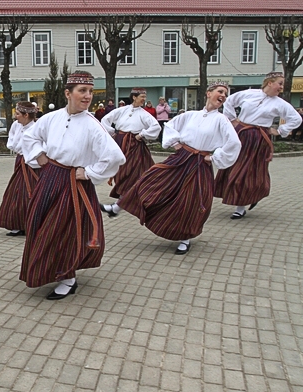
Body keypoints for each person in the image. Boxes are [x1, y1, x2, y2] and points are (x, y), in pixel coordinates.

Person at [20, 71, 125, 300]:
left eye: (90, 91)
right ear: (68, 93)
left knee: (64, 231)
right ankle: (46, 268)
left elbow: (115, 157)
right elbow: (29, 137)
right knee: (39, 224)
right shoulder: (51, 118)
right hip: (49, 178)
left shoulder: (93, 125)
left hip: (73, 184)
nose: (87, 96)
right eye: (82, 91)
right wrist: (40, 156)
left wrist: (88, 172)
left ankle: (68, 278)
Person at [116, 81, 241, 254]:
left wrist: (213, 157)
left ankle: (185, 237)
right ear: (208, 93)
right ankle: (120, 206)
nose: (223, 96)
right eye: (220, 91)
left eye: (225, 94)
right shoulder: (191, 115)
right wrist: (175, 143)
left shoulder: (221, 120)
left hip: (199, 164)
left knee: (191, 200)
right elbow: (170, 125)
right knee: (152, 178)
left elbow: (234, 143)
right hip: (181, 157)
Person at [214, 71, 302, 219]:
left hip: (259, 139)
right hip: (241, 134)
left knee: (249, 171)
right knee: (234, 166)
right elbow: (229, 101)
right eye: (280, 83)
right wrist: (232, 119)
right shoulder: (250, 94)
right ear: (270, 83)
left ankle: (242, 205)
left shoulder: (280, 103)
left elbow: (296, 119)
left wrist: (279, 131)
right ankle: (241, 197)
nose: (282, 87)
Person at [99, 88, 161, 215]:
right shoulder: (123, 110)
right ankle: (121, 206)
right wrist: (112, 132)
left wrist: (142, 134)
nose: (144, 99)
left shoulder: (144, 114)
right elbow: (105, 119)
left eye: (145, 97)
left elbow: (156, 127)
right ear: (134, 97)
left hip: (134, 145)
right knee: (122, 173)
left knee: (131, 174)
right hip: (120, 142)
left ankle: (118, 207)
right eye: (142, 96)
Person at [0, 101, 39, 236]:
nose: (16, 116)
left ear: (26, 115)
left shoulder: (36, 128)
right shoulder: (16, 125)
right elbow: (12, 141)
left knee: (28, 191)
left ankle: (30, 224)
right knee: (17, 191)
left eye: (18, 114)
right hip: (20, 160)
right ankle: (18, 223)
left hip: (32, 163)